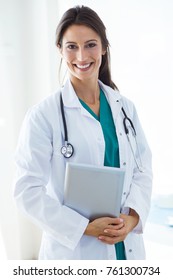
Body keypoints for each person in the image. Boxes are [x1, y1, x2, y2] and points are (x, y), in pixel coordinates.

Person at [13, 5, 152, 260]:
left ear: (103, 47)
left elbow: (143, 170)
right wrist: (83, 228)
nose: (81, 56)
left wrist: (132, 219)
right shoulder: (44, 115)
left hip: (126, 248)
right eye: (71, 47)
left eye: (90, 45)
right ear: (60, 50)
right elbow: (27, 190)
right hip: (74, 253)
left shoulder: (125, 109)